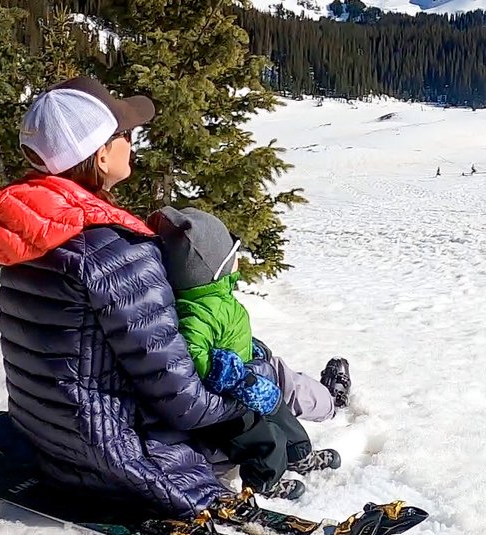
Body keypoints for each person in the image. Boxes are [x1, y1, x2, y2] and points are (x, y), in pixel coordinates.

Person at [0, 76, 341, 517]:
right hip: (119, 461)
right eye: (123, 133)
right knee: (255, 370)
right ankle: (315, 417)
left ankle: (314, 402)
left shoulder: (30, 233)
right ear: (101, 153)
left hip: (49, 436)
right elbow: (183, 403)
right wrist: (249, 388)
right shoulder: (117, 252)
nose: (132, 140)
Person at [146, 206, 347, 499]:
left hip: (253, 380)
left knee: (283, 417)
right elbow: (192, 353)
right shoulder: (197, 311)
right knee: (266, 438)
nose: (238, 260)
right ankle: (265, 481)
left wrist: (249, 350)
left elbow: (228, 334)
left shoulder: (218, 298)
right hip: (233, 395)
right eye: (232, 256)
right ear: (214, 268)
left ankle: (301, 455)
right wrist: (228, 374)